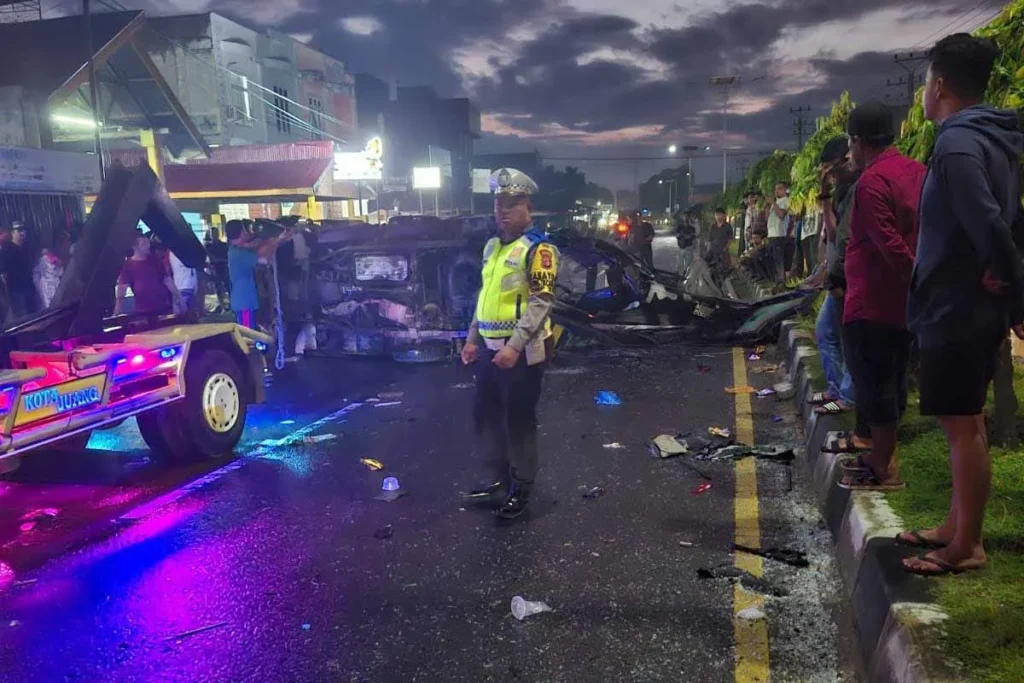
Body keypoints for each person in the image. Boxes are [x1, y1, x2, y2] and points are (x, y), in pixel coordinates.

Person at [901, 34, 1024, 576]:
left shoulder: (956, 144)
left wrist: (1014, 290)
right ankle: (955, 525)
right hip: (968, 303)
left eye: (925, 80)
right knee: (967, 421)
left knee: (961, 427)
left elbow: (990, 222)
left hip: (956, 307)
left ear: (941, 85)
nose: (923, 92)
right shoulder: (993, 136)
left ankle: (966, 546)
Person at [839, 101, 927, 491]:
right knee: (892, 378)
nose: (850, 151)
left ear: (859, 142)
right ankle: (884, 456)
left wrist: (917, 277)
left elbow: (888, 244)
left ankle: (883, 465)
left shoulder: (872, 182)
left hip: (873, 299)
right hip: (904, 304)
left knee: (874, 382)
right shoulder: (917, 172)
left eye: (851, 143)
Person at [461, 168, 558, 520]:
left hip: (521, 353)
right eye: (498, 203)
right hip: (490, 350)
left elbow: (541, 302)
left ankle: (522, 487)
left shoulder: (540, 249)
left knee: (519, 420)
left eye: (512, 203)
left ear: (528, 206)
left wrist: (514, 346)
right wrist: (472, 339)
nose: (503, 210)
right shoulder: (492, 247)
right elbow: (484, 297)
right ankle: (499, 481)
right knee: (486, 415)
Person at [811, 136, 872, 454]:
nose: (830, 176)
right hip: (839, 275)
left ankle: (846, 397)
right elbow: (831, 237)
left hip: (852, 279)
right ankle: (838, 391)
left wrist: (824, 199)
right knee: (826, 332)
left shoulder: (859, 188)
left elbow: (841, 236)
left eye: (832, 170)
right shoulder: (843, 190)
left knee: (847, 340)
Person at [226, 220, 291, 329]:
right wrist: (278, 239)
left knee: (249, 331)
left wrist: (270, 239)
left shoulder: (236, 250)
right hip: (244, 302)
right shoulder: (239, 253)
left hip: (244, 300)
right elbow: (264, 259)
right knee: (247, 333)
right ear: (241, 232)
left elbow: (256, 248)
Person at [115, 232, 180, 316]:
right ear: (135, 247)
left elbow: (167, 280)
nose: (148, 246)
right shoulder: (127, 266)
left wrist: (178, 298)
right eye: (144, 244)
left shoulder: (156, 261)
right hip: (143, 311)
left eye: (148, 243)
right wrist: (117, 313)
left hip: (164, 307)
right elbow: (121, 291)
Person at [3, 223, 35, 321]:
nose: (22, 233)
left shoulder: (25, 247)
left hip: (28, 288)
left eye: (23, 230)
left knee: (33, 315)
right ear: (12, 233)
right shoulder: (7, 249)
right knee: (22, 318)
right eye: (19, 231)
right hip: (17, 291)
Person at [766, 183, 790, 283]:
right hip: (771, 235)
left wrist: (773, 203)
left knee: (779, 261)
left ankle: (782, 282)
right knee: (772, 261)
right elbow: (767, 219)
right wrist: (768, 206)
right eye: (776, 189)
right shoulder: (775, 203)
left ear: (785, 190)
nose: (777, 191)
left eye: (780, 188)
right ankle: (776, 281)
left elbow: (781, 215)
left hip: (779, 235)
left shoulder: (786, 200)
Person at [707, 207, 732, 276]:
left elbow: (730, 239)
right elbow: (710, 240)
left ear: (723, 215)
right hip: (713, 250)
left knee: (723, 269)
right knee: (710, 267)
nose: (718, 217)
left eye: (719, 214)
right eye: (716, 215)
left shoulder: (728, 226)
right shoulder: (713, 226)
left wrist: (725, 248)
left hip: (723, 251)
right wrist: (708, 250)